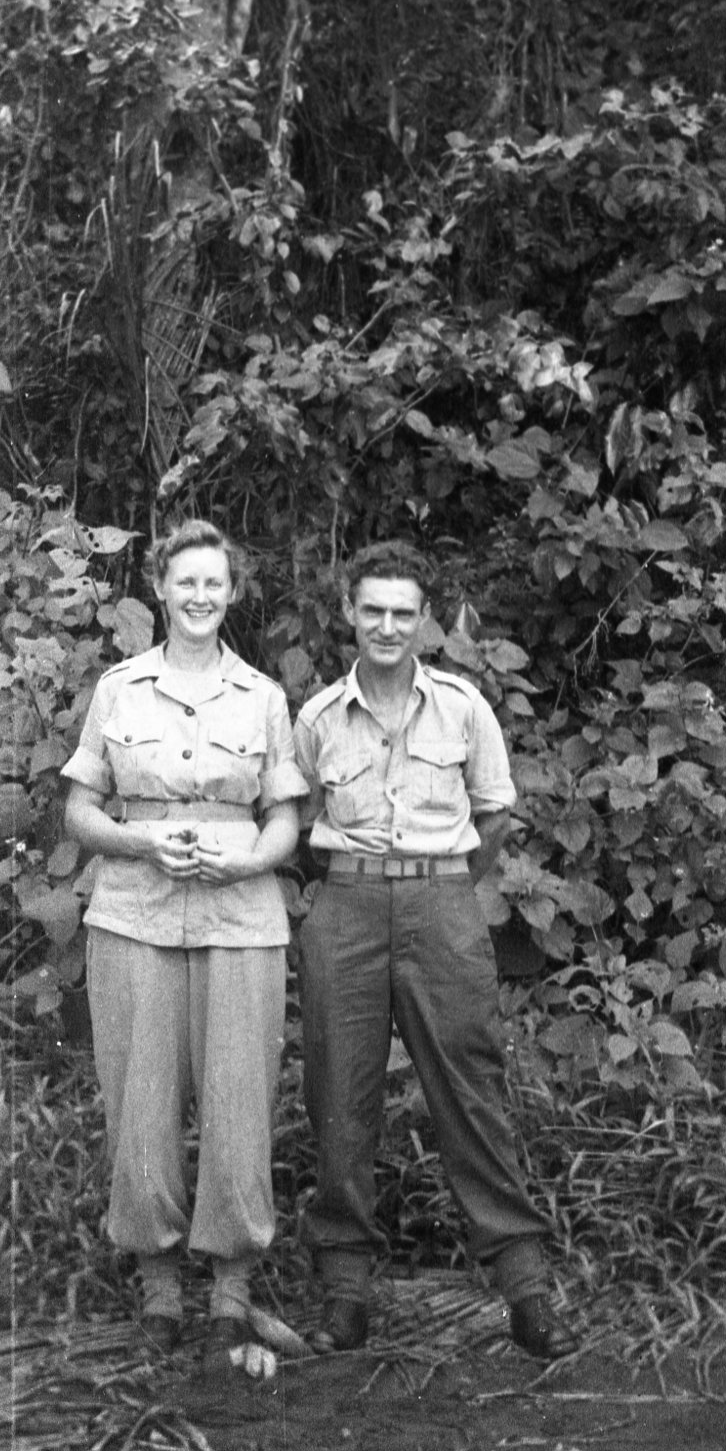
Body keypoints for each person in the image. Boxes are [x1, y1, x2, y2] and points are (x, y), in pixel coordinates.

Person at [292, 541, 581, 1360]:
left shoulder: (463, 708)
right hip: (344, 906)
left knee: (470, 1089)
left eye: (402, 611)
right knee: (338, 1096)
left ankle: (526, 1292)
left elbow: (492, 815)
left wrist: (437, 885)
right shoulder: (315, 718)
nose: (386, 625)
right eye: (371, 609)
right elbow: (297, 823)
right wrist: (362, 884)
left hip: (442, 907)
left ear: (425, 621)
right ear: (349, 612)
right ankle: (345, 1294)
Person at [61, 519, 308, 1362]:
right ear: (160, 589)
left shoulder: (264, 697)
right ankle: (159, 1284)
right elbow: (80, 811)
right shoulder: (119, 689)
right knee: (140, 1101)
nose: (200, 597)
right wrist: (140, 842)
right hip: (134, 912)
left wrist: (245, 861)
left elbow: (286, 820)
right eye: (185, 582)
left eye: (215, 584)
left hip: (242, 921)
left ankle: (231, 1289)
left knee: (240, 1100)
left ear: (231, 593)